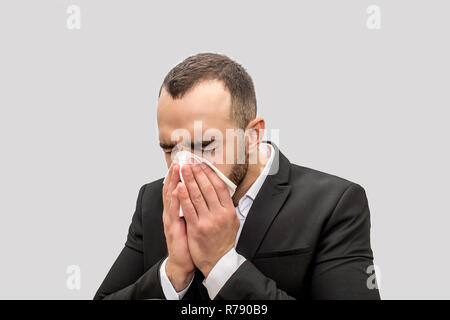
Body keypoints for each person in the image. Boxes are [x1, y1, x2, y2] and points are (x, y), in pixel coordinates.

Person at [94, 53, 380, 300]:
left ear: (253, 136)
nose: (183, 166)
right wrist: (173, 274)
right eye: (169, 148)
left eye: (205, 145)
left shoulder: (333, 205)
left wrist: (222, 265)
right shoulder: (155, 201)